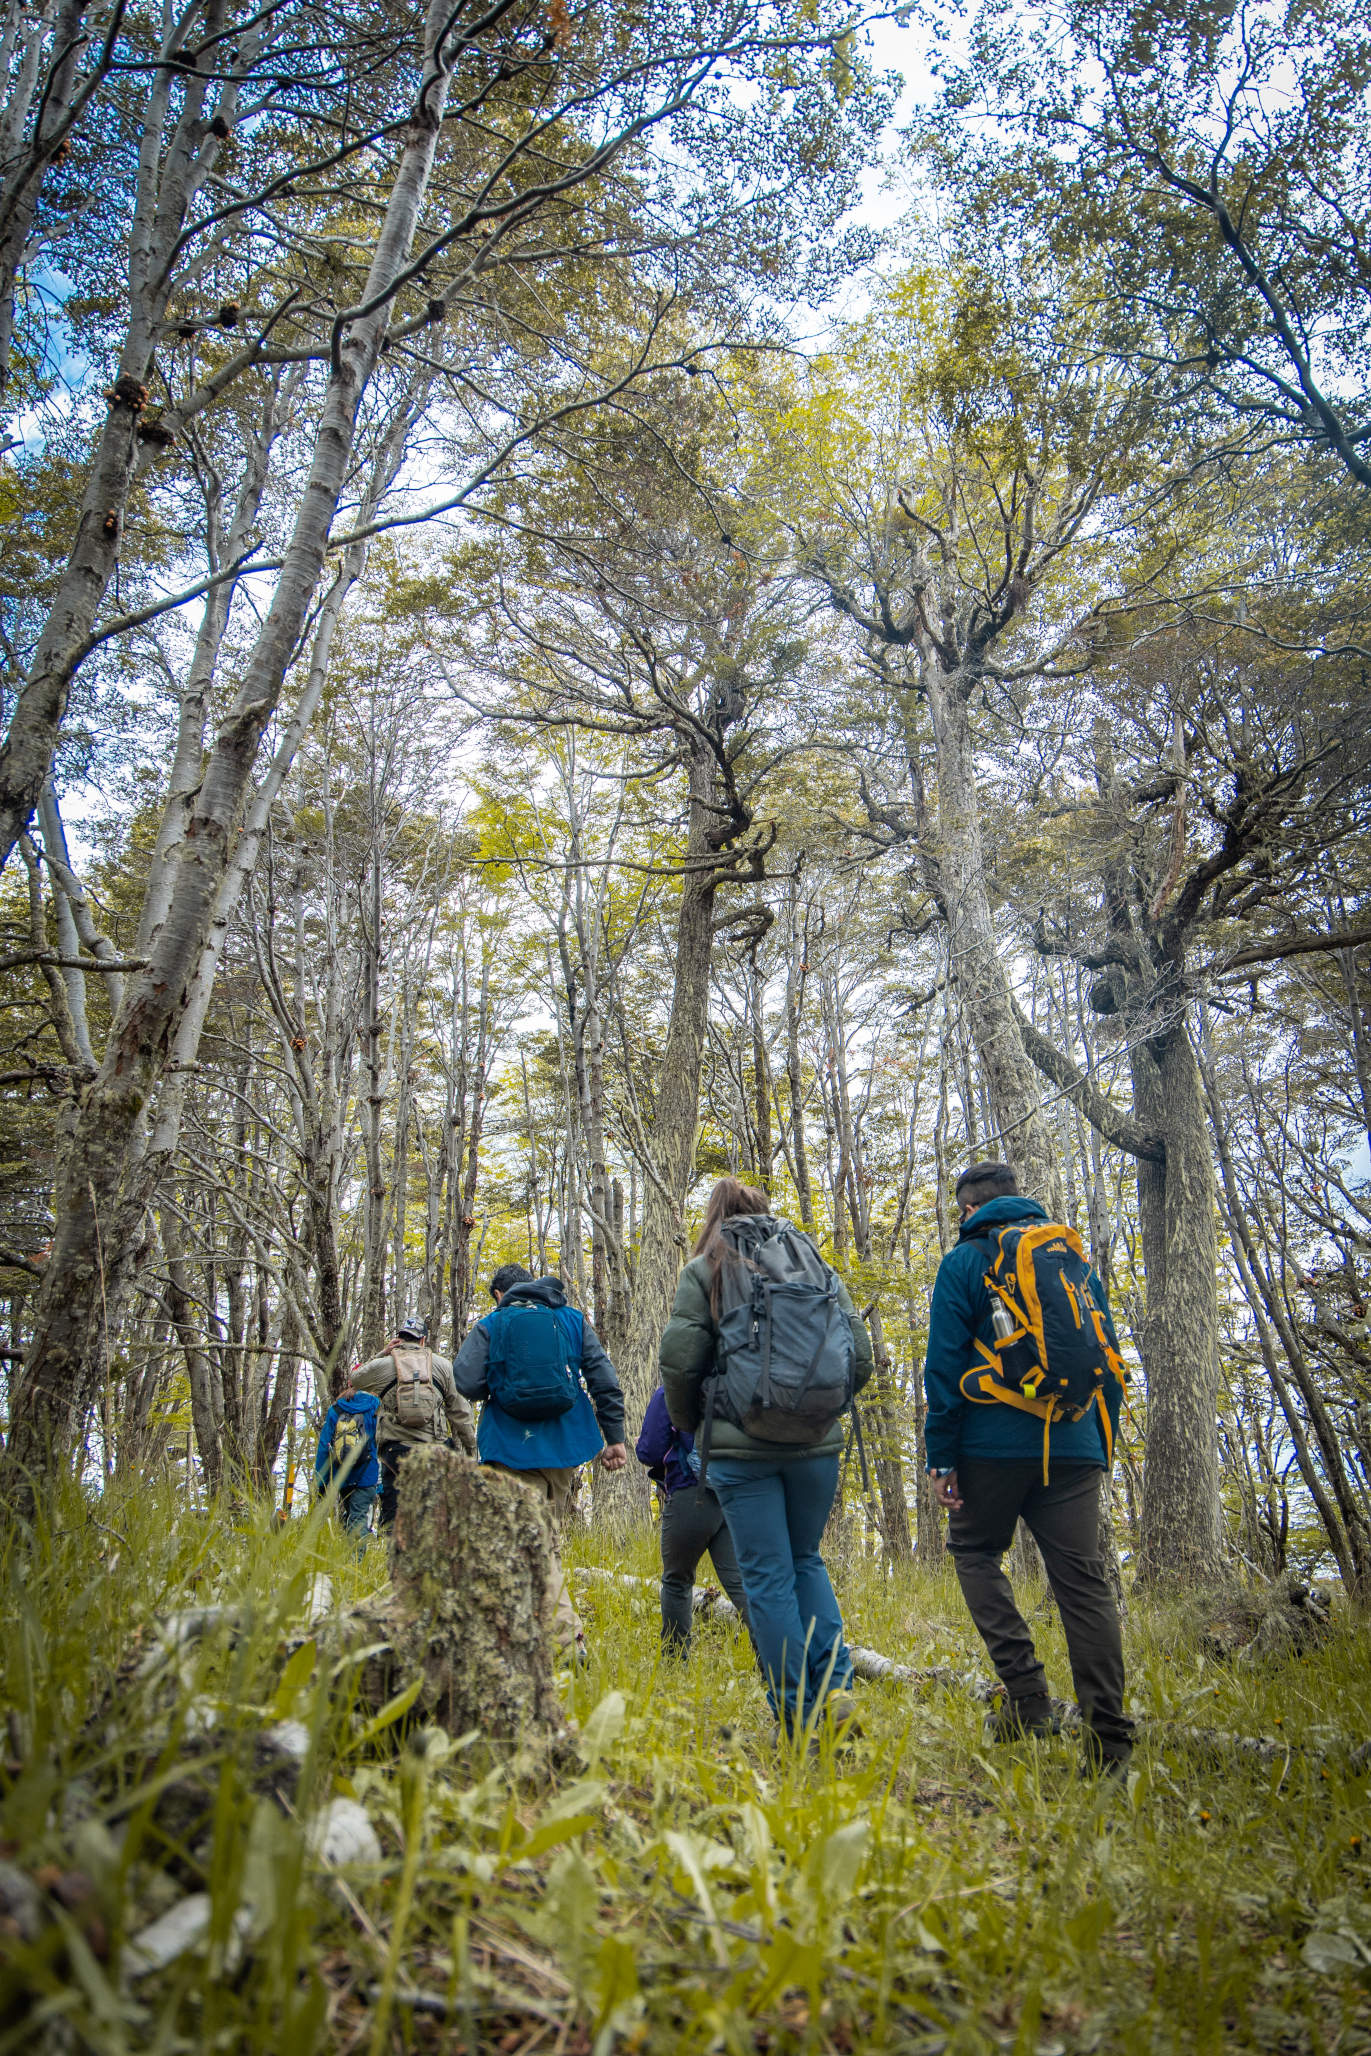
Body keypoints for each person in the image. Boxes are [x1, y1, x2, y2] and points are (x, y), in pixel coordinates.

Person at [924, 1160, 1134, 1779]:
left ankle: (1029, 1698)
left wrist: (942, 1457)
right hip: (1074, 1447)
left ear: (967, 1210)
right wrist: (1102, 1447)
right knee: (1085, 1588)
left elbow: (942, 1367)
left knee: (973, 1552)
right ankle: (1111, 1746)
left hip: (990, 1445)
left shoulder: (964, 1262)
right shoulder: (1069, 1260)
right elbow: (1108, 1356)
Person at [660, 1178, 873, 1740]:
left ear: (714, 1216)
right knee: (806, 1561)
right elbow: (862, 1354)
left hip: (741, 1449)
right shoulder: (813, 1264)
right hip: (816, 1445)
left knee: (767, 1579)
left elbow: (679, 1365)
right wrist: (821, 1412)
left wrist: (690, 1425)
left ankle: (798, 1719)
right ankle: (837, 1692)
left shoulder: (705, 1270)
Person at [454, 1263, 627, 1654]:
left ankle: (566, 1640)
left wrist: (501, 1385)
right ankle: (533, 1633)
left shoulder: (492, 1324)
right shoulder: (571, 1319)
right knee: (543, 1536)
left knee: (525, 1541)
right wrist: (614, 1437)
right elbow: (603, 1378)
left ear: (500, 1294)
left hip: (510, 1448)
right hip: (565, 1446)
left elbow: (465, 1382)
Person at [636, 1381, 754, 1657]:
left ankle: (675, 1662)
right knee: (743, 1585)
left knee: (677, 1580)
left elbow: (650, 1450)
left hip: (691, 1492)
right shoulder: (740, 1385)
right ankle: (777, 1664)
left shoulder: (673, 1389)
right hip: (734, 1496)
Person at [351, 1316, 478, 1530]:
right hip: (434, 1451)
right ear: (423, 1340)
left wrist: (383, 1352)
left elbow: (354, 1379)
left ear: (399, 1338)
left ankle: (393, 1555)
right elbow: (459, 1411)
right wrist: (471, 1448)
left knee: (394, 1518)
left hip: (396, 1451)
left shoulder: (384, 1365)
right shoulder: (442, 1366)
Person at [314, 1382, 381, 1542]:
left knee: (351, 1516)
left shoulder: (336, 1409)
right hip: (367, 1474)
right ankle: (356, 1563)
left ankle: (348, 1560)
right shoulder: (375, 1406)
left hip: (342, 1476)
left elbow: (324, 1446)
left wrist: (321, 1483)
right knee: (358, 1518)